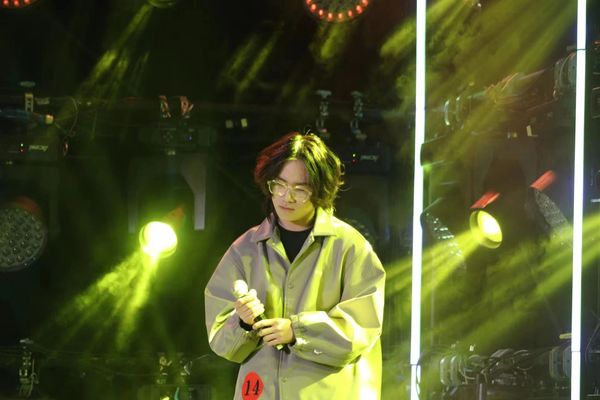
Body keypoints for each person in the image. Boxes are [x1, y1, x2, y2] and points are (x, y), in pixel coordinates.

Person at [204, 132, 386, 399]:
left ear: (320, 191)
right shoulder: (245, 250)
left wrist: (296, 331)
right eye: (279, 185)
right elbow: (221, 341)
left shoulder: (350, 247)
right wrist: (242, 323)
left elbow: (361, 329)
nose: (286, 197)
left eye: (300, 190)